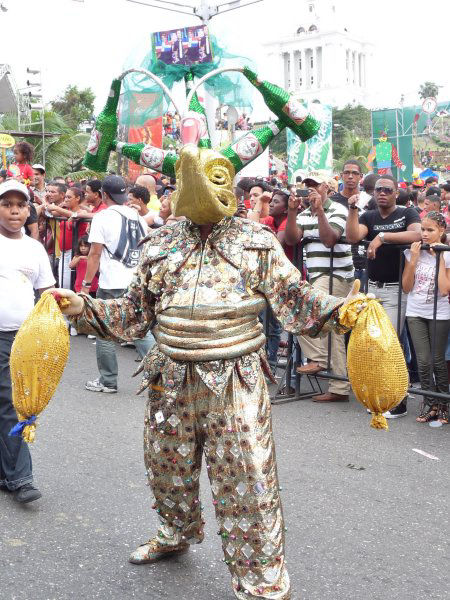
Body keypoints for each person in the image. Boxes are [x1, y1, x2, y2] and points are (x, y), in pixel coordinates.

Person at [346, 174, 421, 418]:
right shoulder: (369, 215)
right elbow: (353, 236)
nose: (382, 193)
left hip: (396, 289)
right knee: (375, 344)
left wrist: (382, 237)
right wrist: (353, 210)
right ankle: (382, 395)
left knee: (390, 344)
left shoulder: (406, 213)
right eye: (379, 189)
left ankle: (398, 401)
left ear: (396, 193)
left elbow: (417, 235)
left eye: (388, 190)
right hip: (374, 289)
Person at [0, 180, 55, 503]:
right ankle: (12, 474)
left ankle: (19, 476)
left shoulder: (34, 248)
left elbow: (46, 293)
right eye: (7, 204)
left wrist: (51, 332)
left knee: (13, 404)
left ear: (28, 210)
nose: (14, 211)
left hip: (22, 340)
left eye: (20, 205)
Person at [285, 171, 354, 402]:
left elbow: (329, 239)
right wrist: (293, 211)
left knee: (325, 321)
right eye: (307, 186)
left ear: (328, 188)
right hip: (317, 276)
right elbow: (292, 238)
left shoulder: (338, 210)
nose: (311, 190)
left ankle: (336, 383)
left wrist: (321, 211)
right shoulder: (305, 213)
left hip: (337, 275)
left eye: (315, 186)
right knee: (295, 311)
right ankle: (323, 362)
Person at [82, 175, 152, 393]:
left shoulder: (103, 217)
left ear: (104, 194)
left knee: (104, 329)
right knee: (139, 329)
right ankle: (161, 376)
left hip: (111, 281)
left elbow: (94, 254)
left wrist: (85, 285)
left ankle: (108, 380)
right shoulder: (138, 217)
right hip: (134, 281)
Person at [402, 212, 449, 424]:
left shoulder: (447, 253)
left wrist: (439, 258)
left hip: (440, 313)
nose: (425, 234)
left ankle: (444, 404)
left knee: (438, 360)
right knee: (423, 361)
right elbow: (406, 287)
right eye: (423, 229)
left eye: (430, 230)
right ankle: (430, 403)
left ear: (442, 231)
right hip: (415, 311)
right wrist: (413, 260)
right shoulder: (413, 251)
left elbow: (445, 289)